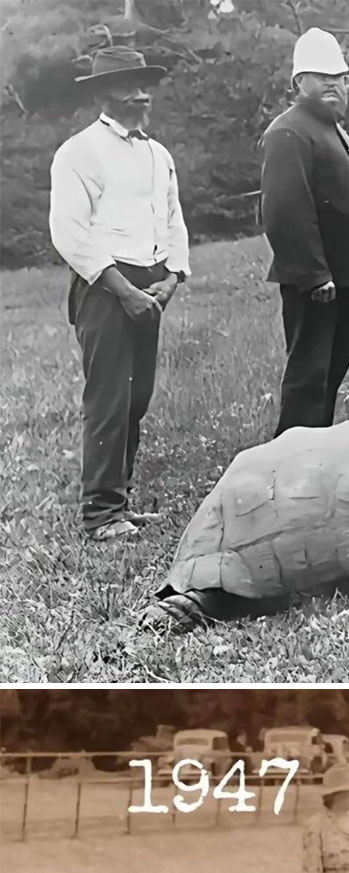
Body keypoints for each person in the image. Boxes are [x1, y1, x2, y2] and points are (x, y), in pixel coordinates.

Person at [49, 40, 190, 541]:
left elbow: (173, 219)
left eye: (146, 85)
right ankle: (101, 513)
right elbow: (69, 232)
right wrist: (123, 290)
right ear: (103, 95)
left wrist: (172, 277)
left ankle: (120, 501)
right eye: (130, 86)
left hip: (150, 284)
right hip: (105, 287)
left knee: (137, 396)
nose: (142, 95)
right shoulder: (79, 153)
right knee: (108, 398)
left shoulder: (158, 154)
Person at [261, 29, 349, 434]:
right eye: (322, 75)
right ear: (300, 83)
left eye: (341, 76)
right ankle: (290, 467)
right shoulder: (289, 131)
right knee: (308, 378)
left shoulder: (333, 130)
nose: (334, 82)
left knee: (330, 376)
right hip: (319, 281)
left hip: (348, 277)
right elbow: (283, 210)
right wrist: (314, 274)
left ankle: (316, 461)